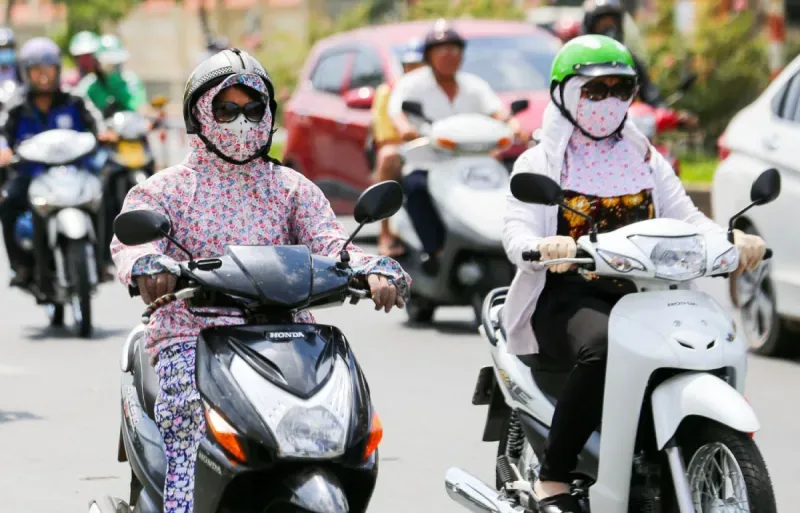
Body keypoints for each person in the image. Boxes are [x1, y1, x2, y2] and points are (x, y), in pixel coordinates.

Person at [110, 48, 411, 513]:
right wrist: (148, 264)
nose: (241, 121)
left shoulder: (291, 187)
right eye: (225, 109)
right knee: (188, 418)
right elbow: (133, 243)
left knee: (344, 421)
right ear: (199, 115)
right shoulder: (164, 189)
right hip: (192, 334)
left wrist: (374, 268)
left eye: (253, 109)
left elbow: (332, 243)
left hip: (289, 335)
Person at [502, 35, 767, 513]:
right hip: (569, 293)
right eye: (594, 90)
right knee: (602, 348)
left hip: (649, 293)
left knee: (705, 340)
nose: (608, 101)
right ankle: (554, 475)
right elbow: (516, 229)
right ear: (564, 93)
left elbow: (688, 217)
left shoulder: (644, 157)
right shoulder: (539, 161)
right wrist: (544, 246)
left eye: (620, 89)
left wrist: (733, 239)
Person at [388, 19, 526, 274]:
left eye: (454, 50)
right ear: (429, 56)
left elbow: (498, 112)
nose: (449, 56)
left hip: (473, 161)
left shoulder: (474, 85)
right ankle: (433, 251)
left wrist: (514, 125)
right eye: (441, 50)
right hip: (429, 161)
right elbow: (396, 111)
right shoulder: (413, 84)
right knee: (416, 187)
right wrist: (405, 127)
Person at [0, 37, 116, 287]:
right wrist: (4, 149)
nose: (43, 76)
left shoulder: (75, 99)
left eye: (49, 69)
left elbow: (95, 121)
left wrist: (104, 133)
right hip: (31, 174)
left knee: (104, 196)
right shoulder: (16, 105)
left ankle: (104, 260)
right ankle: (20, 266)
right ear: (25, 72)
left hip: (75, 171)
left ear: (58, 70)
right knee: (8, 202)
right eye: (36, 70)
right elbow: (2, 133)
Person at [372, 37, 425, 257]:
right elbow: (385, 137)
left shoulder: (437, 90)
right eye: (409, 65)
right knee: (388, 156)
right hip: (405, 151)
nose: (414, 71)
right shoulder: (389, 92)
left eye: (419, 65)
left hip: (437, 149)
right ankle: (385, 232)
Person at [76, 34, 147, 115]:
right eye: (108, 63)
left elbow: (138, 106)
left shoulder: (131, 81)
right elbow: (78, 103)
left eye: (116, 63)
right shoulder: (90, 85)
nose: (114, 67)